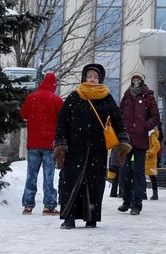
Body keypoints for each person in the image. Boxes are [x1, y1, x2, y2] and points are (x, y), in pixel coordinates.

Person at [53, 63, 131, 229]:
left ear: (100, 79)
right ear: (84, 77)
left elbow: (118, 121)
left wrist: (124, 140)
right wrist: (60, 143)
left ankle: (91, 217)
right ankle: (69, 217)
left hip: (98, 149)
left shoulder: (107, 98)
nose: (92, 79)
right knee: (71, 182)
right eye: (89, 76)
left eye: (95, 77)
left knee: (94, 184)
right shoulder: (74, 97)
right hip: (75, 148)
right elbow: (62, 122)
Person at [19, 71, 64, 216]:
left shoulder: (31, 98)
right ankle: (49, 206)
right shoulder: (56, 100)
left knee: (31, 175)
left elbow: (24, 114)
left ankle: (28, 205)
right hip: (50, 145)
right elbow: (62, 120)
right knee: (49, 176)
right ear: (53, 85)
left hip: (33, 143)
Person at [118, 71, 161, 215]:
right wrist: (122, 129)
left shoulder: (148, 96)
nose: (136, 81)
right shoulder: (127, 96)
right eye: (134, 79)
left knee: (138, 173)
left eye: (138, 79)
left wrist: (144, 126)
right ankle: (126, 200)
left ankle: (137, 203)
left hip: (140, 141)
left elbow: (155, 117)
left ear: (142, 81)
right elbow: (120, 113)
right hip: (126, 141)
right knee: (125, 172)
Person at [145, 127, 161, 200]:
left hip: (150, 159)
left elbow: (157, 146)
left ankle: (154, 194)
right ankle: (144, 193)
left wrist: (149, 153)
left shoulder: (152, 134)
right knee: (145, 177)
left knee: (152, 177)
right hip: (146, 159)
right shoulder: (147, 134)